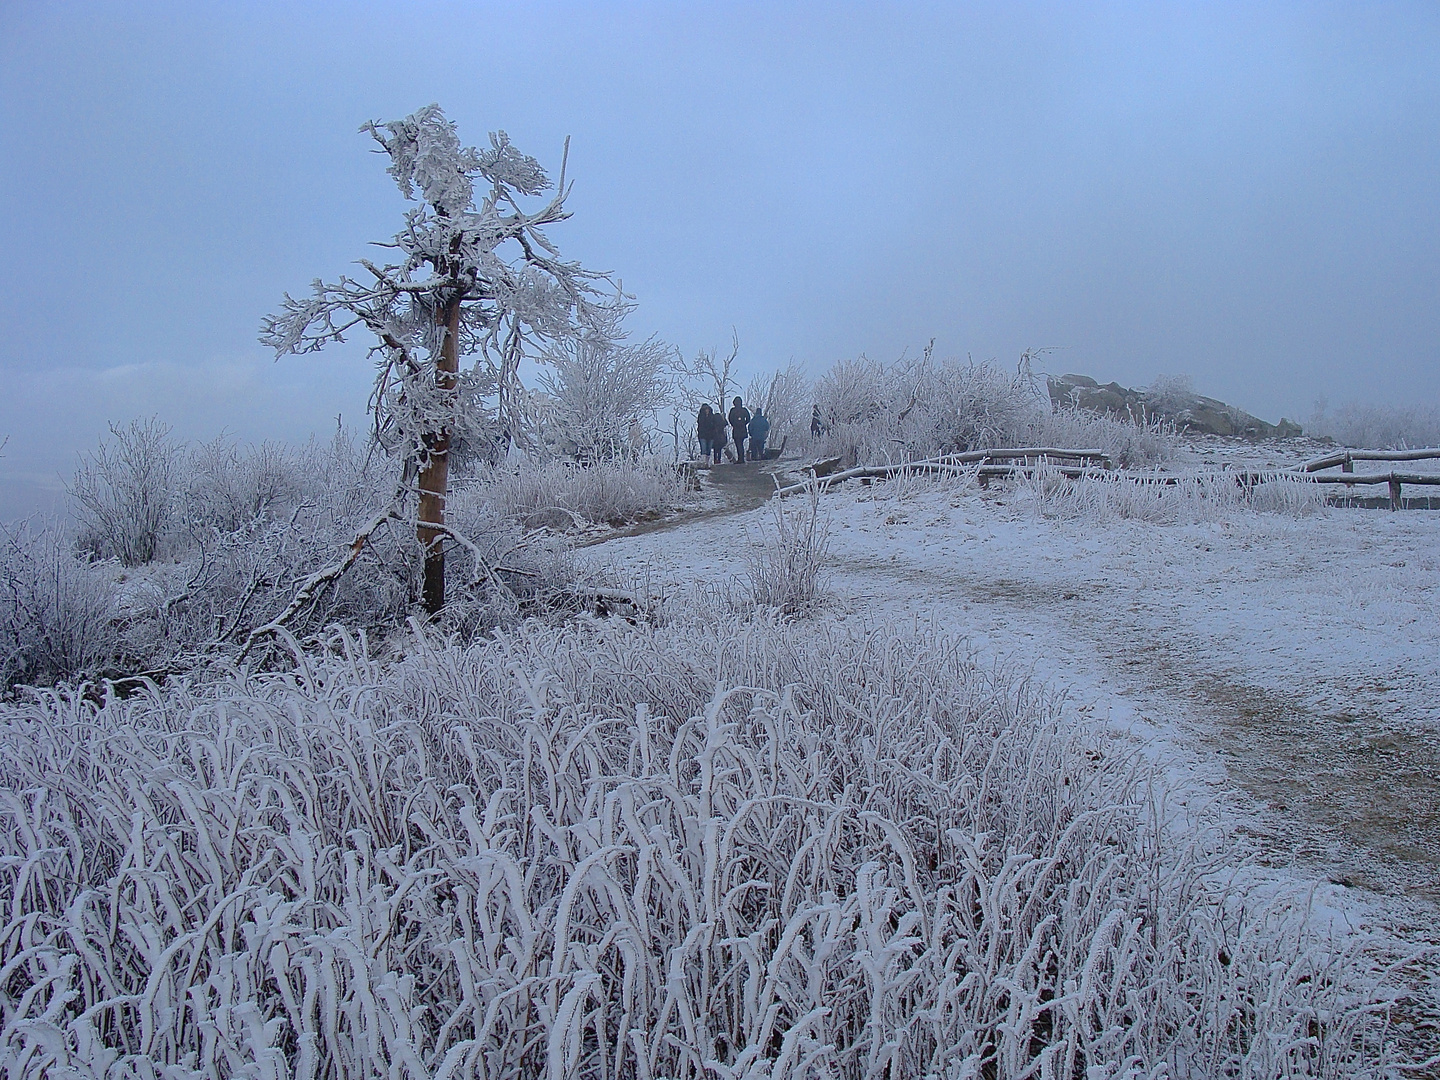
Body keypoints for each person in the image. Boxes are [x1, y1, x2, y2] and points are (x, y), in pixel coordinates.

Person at [727, 396, 751, 465]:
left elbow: (730, 419)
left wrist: (734, 424)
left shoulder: (733, 410)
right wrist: (744, 423)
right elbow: (748, 418)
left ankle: (740, 459)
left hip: (736, 430)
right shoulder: (744, 410)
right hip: (743, 429)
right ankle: (741, 458)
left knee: (738, 444)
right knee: (741, 444)